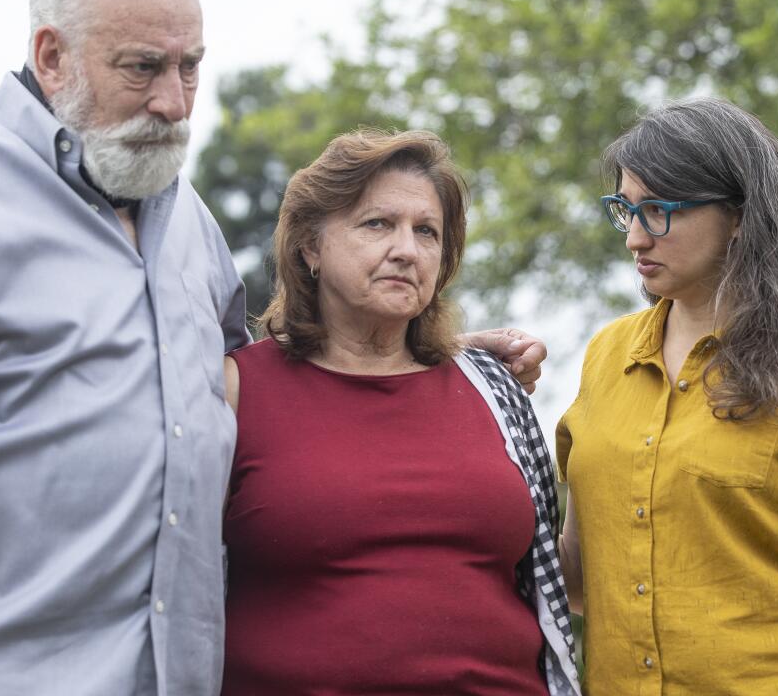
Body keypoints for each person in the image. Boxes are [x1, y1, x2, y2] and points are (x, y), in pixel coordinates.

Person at [0, 0, 546, 696]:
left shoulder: (188, 223)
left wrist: (441, 368)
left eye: (190, 66)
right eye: (142, 68)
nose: (174, 101)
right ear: (51, 56)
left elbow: (267, 387)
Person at [557, 98, 778, 695]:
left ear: (742, 214)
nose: (636, 240)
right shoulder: (606, 356)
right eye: (625, 211)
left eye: (660, 211)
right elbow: (581, 578)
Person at [220, 129, 580, 695]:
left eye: (427, 232)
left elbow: (545, 580)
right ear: (310, 247)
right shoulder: (235, 390)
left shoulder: (494, 389)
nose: (407, 250)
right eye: (377, 224)